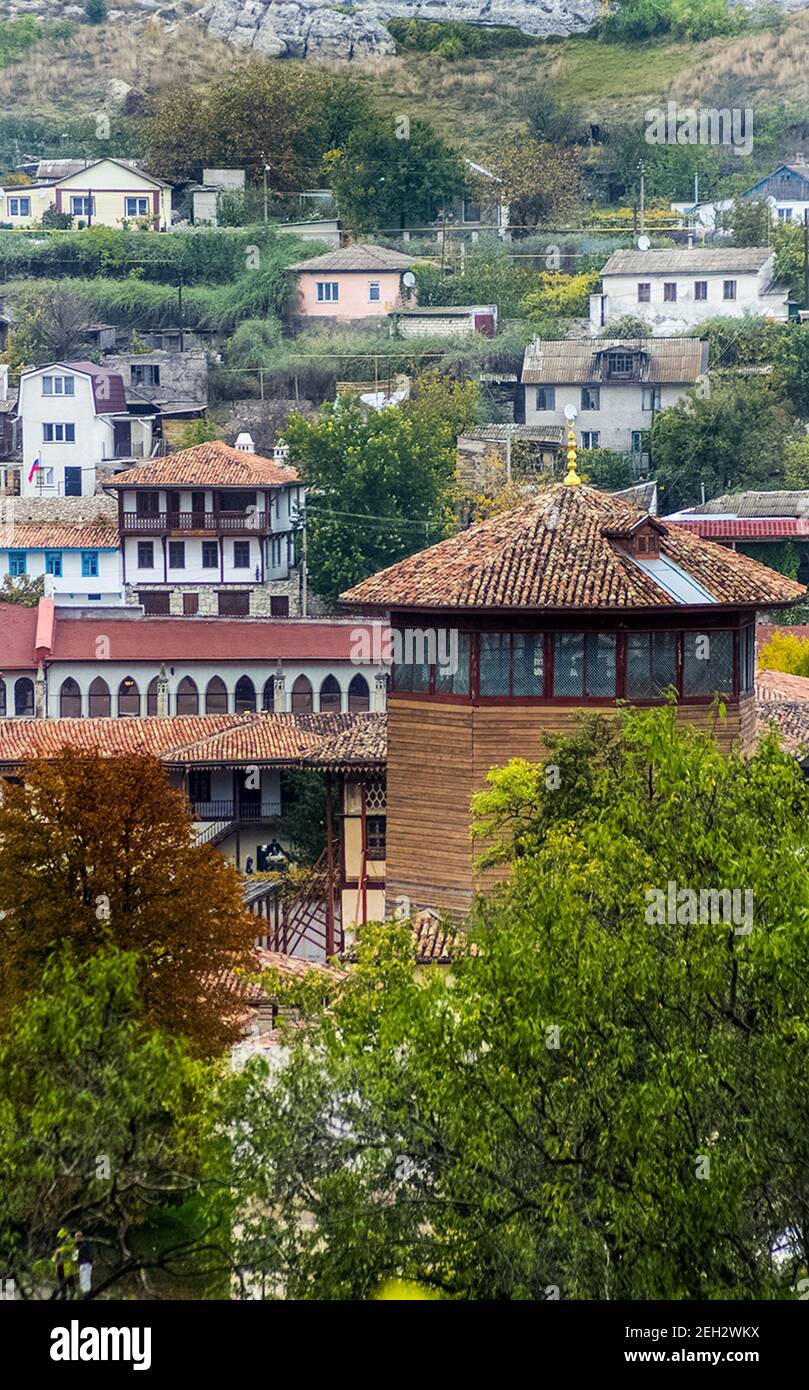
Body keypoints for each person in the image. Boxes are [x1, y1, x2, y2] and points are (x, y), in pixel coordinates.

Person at [55, 1228, 78, 1299]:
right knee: (64, 1288)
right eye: (59, 1238)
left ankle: (69, 1296)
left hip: (67, 1269)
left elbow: (75, 1257)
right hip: (62, 1268)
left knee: (69, 1288)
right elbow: (55, 1258)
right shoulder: (61, 1246)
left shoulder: (70, 1246)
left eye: (61, 1238)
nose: (60, 1240)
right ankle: (65, 1297)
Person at [76, 1233, 93, 1300]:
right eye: (76, 1237)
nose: (77, 1238)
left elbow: (87, 1253)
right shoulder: (78, 1245)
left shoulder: (84, 1244)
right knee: (82, 1281)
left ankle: (87, 1295)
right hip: (82, 1264)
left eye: (78, 1237)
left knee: (85, 1280)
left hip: (86, 1264)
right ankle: (86, 1295)